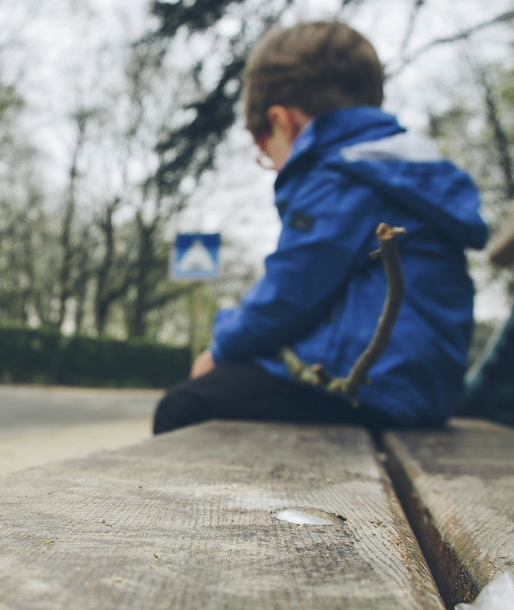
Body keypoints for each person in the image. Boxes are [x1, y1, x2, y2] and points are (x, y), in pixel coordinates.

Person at [153, 20, 488, 435]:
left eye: (264, 149)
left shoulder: (340, 176)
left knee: (186, 406)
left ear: (282, 121)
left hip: (366, 388)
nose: (271, 163)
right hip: (418, 389)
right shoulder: (400, 169)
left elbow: (289, 296)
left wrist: (219, 347)